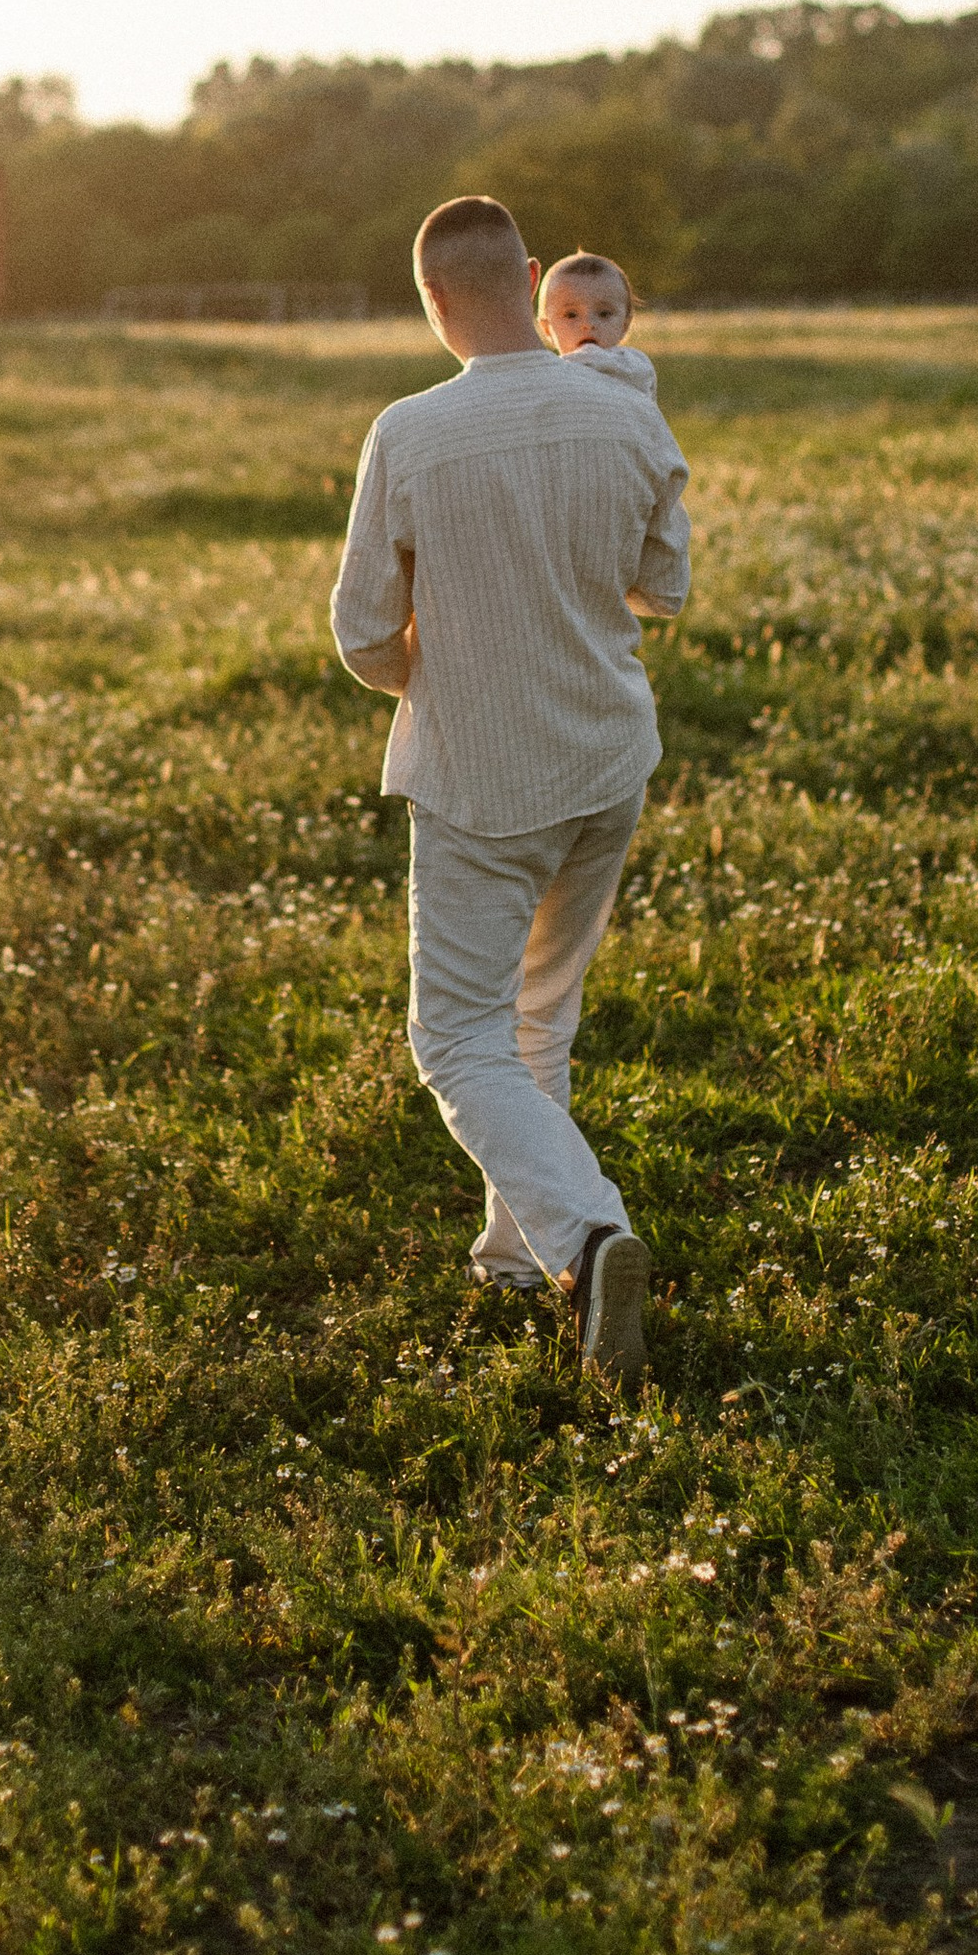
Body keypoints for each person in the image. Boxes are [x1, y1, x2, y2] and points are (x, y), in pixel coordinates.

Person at [329, 197, 691, 1379]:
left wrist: (429, 681)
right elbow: (664, 588)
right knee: (540, 1016)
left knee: (456, 1039)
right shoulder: (627, 411)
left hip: (483, 777)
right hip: (604, 760)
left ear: (431, 300)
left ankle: (588, 1238)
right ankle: (510, 1250)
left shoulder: (409, 431)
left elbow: (363, 631)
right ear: (530, 280)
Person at [537, 247, 658, 394]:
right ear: (547, 328)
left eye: (604, 314)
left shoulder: (632, 367)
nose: (588, 324)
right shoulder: (549, 378)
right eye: (571, 315)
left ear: (625, 325)